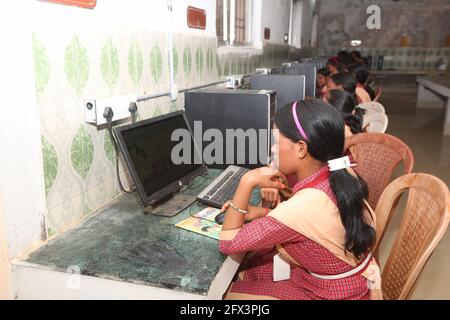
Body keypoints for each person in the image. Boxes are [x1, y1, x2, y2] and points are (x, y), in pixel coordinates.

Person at [219, 99, 381, 300]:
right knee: (252, 269)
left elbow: (228, 243)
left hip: (328, 294)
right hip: (347, 281)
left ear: (302, 149)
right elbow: (317, 225)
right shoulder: (341, 171)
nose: (273, 149)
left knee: (223, 293)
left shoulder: (304, 205)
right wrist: (260, 212)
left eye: (277, 142)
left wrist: (248, 180)